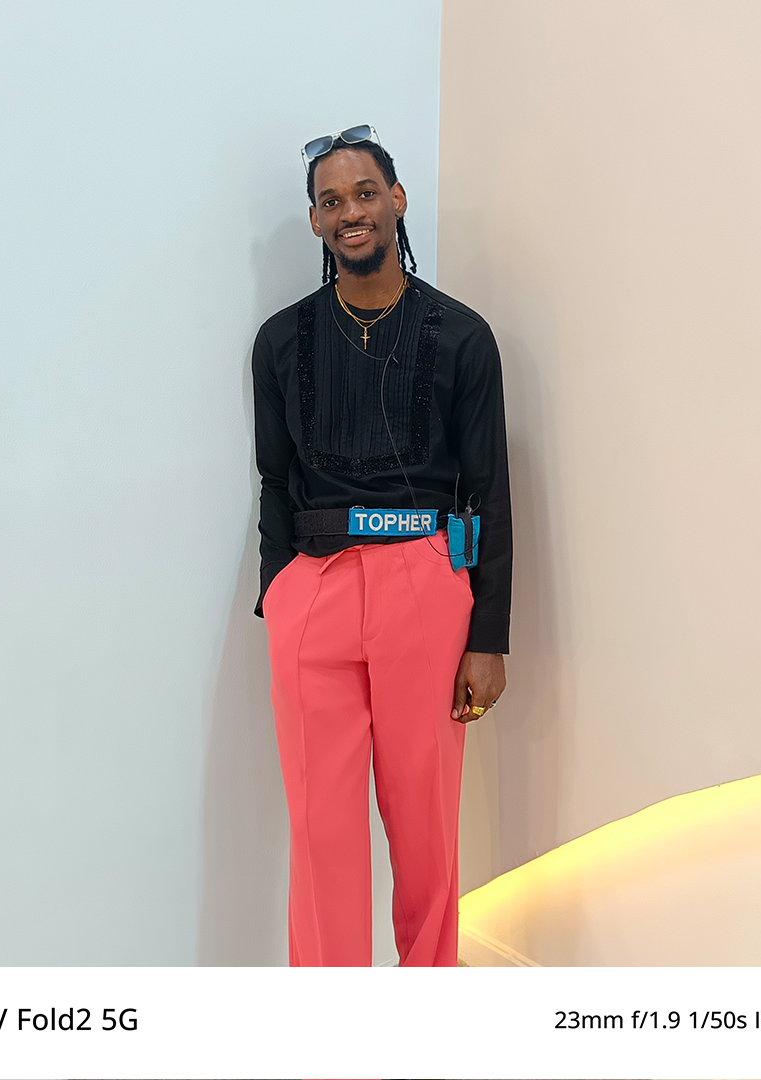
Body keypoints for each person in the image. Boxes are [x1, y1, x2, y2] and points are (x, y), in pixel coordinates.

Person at [252, 125, 511, 967]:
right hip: (314, 588)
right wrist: (279, 594)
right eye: (330, 201)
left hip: (424, 586)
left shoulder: (462, 336)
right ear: (317, 221)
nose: (350, 211)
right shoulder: (280, 342)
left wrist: (488, 635)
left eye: (365, 192)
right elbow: (275, 481)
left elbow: (488, 491)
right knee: (319, 834)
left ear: (397, 200)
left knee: (425, 830)